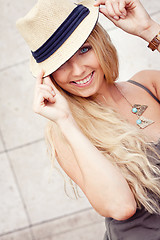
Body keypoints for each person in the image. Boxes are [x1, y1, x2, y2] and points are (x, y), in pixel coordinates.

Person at [16, 0, 160, 239]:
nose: (78, 71)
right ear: (48, 76)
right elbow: (120, 207)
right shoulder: (66, 132)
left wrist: (149, 30)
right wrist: (65, 121)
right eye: (61, 63)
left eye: (84, 50)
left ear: (100, 44)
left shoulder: (148, 85)